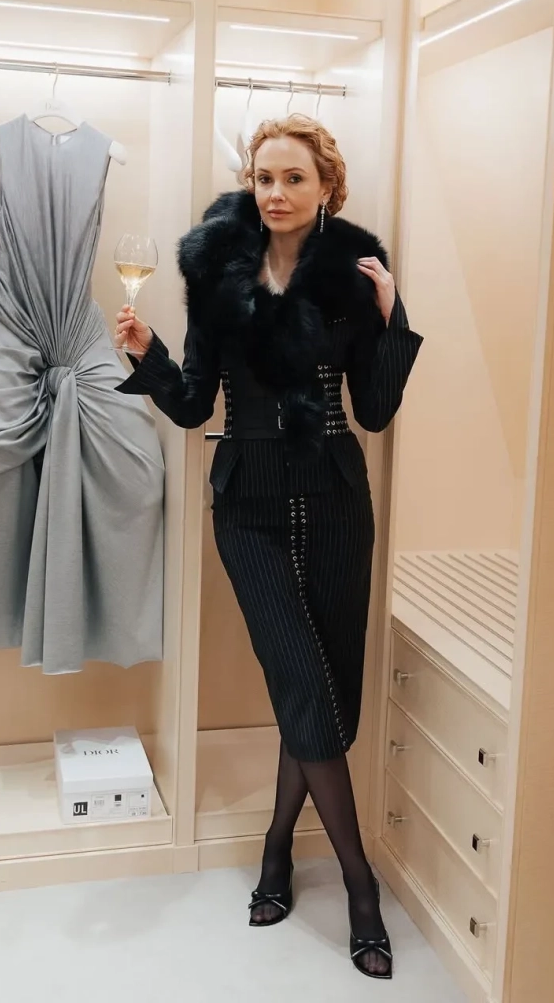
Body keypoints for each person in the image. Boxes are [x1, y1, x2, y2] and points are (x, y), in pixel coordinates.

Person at [115, 115, 422, 979]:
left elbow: (374, 411)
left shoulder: (355, 277)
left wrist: (393, 317)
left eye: (293, 178)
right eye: (264, 178)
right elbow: (192, 405)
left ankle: (278, 847)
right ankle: (360, 888)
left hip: (337, 503)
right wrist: (149, 355)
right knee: (304, 683)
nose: (275, 193)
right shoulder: (218, 273)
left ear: (327, 189)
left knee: (319, 693)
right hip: (247, 506)